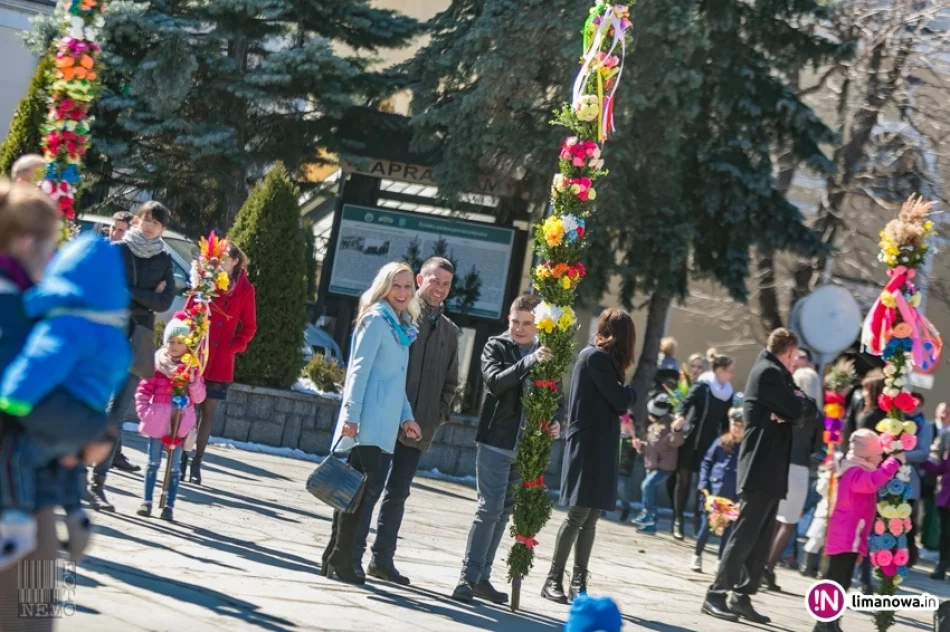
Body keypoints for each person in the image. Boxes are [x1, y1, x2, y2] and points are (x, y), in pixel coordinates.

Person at [0, 232, 131, 568]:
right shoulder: (113, 336)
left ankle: (15, 523)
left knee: (16, 457)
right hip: (90, 416)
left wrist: (11, 400)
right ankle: (76, 515)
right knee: (63, 460)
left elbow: (39, 364)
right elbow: (117, 373)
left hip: (57, 410)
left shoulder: (64, 326)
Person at [353, 257, 459, 586]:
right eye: (434, 281)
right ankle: (351, 555)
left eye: (446, 284)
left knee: (398, 494)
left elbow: (451, 385)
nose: (439, 289)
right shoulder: (401, 318)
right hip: (384, 421)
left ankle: (382, 560)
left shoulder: (451, 332)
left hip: (418, 428)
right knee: (367, 490)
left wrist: (434, 418)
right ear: (419, 280)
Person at [702, 328, 818, 624]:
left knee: (761, 537)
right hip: (760, 465)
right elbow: (796, 406)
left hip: (773, 468)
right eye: (795, 357)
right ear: (790, 352)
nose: (795, 362)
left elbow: (809, 407)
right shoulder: (768, 372)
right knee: (744, 535)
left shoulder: (780, 374)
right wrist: (792, 410)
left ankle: (742, 595)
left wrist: (793, 410)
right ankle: (716, 593)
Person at [451, 293, 559, 605]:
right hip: (496, 441)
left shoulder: (546, 352)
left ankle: (483, 577)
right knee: (489, 509)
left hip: (526, 446)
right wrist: (528, 361)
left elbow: (556, 396)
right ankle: (466, 579)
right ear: (508, 319)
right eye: (515, 322)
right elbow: (495, 382)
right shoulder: (496, 346)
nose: (520, 329)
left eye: (527, 323)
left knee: (504, 513)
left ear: (537, 323)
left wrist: (556, 422)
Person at [321, 262, 422, 585]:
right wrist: (350, 416)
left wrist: (407, 417)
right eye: (397, 286)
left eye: (408, 287)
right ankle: (340, 558)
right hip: (365, 424)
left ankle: (334, 556)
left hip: (385, 427)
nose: (403, 293)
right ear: (384, 286)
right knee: (356, 494)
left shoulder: (399, 325)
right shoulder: (376, 319)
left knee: (359, 494)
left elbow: (395, 382)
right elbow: (358, 372)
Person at [0, 179, 71, 630]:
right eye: (51, 247)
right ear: (28, 243)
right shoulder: (17, 307)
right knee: (33, 615)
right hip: (22, 496)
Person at [541, 308, 635, 604]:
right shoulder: (594, 357)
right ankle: (553, 579)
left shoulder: (604, 361)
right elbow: (620, 401)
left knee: (592, 516)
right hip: (588, 444)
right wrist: (630, 393)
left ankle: (579, 581)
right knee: (578, 514)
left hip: (602, 443)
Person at [88, 201, 176, 510]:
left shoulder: (164, 259)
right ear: (138, 220)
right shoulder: (119, 250)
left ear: (163, 228)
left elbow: (166, 300)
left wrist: (134, 294)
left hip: (137, 339)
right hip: (108, 334)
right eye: (147, 219)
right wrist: (147, 297)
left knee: (117, 413)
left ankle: (97, 483)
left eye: (157, 222)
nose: (150, 226)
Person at [181, 242, 257, 485]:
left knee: (208, 413)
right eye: (217, 257)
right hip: (197, 355)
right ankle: (181, 458)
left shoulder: (245, 290)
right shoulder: (205, 281)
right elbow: (187, 312)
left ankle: (197, 463)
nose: (220, 262)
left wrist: (232, 348)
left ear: (235, 261)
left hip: (221, 360)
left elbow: (249, 326)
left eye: (225, 258)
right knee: (188, 409)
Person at [814, 429, 904, 632]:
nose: (881, 458)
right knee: (836, 579)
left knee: (843, 579)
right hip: (845, 535)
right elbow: (871, 483)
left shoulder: (857, 467)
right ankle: (823, 621)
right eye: (878, 454)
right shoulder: (855, 470)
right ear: (866, 453)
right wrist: (893, 463)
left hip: (851, 535)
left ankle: (831, 621)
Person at [134, 318, 206, 522]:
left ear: (187, 345)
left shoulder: (191, 367)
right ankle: (146, 501)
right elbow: (143, 391)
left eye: (180, 342)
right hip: (158, 421)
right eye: (171, 342)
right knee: (153, 462)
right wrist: (145, 412)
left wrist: (192, 380)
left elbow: (199, 397)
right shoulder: (158, 365)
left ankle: (169, 505)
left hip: (179, 423)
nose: (175, 347)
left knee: (174, 467)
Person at [762, 353, 823, 591]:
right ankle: (769, 567)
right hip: (799, 467)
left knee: (774, 517)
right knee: (788, 522)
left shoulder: (786, 406)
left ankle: (760, 563)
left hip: (779, 462)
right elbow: (817, 447)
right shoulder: (816, 414)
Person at [668, 355, 736, 540]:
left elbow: (724, 422)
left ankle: (698, 522)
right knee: (683, 483)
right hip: (692, 440)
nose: (732, 374)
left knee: (703, 486)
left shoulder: (728, 393)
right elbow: (684, 403)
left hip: (710, 445)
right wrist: (680, 416)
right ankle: (678, 520)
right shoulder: (703, 386)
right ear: (720, 371)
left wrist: (728, 437)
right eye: (730, 370)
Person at [692, 408, 745, 573]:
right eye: (735, 425)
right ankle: (697, 555)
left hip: (733, 495)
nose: (737, 429)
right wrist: (703, 483)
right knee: (706, 526)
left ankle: (720, 560)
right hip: (714, 492)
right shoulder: (721, 442)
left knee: (728, 530)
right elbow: (707, 462)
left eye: (741, 426)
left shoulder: (747, 448)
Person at [632, 394, 683, 534]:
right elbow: (652, 446)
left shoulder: (669, 426)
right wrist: (640, 446)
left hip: (664, 467)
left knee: (647, 485)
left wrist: (677, 429)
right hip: (652, 465)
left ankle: (648, 513)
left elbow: (676, 441)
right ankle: (649, 522)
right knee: (648, 490)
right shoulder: (654, 427)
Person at [903, 392, 934, 568]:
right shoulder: (897, 420)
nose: (912, 407)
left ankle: (909, 553)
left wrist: (901, 454)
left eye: (916, 404)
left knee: (906, 517)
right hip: (890, 473)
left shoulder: (924, 426)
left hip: (910, 475)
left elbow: (923, 453)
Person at [921, 418, 950, 580]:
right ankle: (943, 564)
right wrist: (923, 461)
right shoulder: (947, 435)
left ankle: (943, 564)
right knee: (945, 532)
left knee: (946, 532)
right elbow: (939, 465)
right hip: (946, 494)